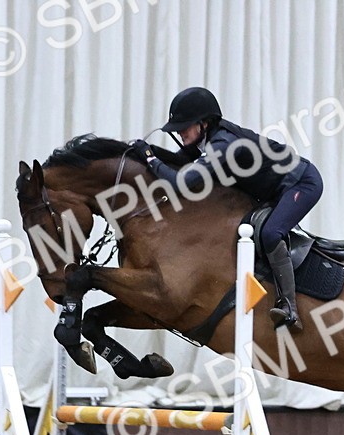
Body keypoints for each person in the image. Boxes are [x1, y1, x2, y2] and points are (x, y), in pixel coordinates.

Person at [130, 87, 322, 330]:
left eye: (184, 126)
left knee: (270, 233)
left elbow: (182, 182)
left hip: (301, 182)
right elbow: (179, 165)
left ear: (204, 123)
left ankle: (289, 308)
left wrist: (150, 158)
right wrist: (149, 155)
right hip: (273, 190)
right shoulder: (206, 141)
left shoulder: (224, 144)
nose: (179, 132)